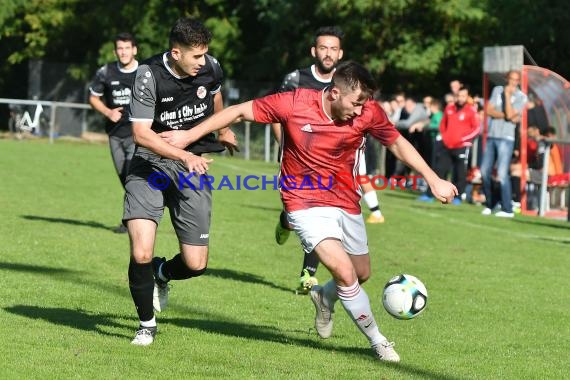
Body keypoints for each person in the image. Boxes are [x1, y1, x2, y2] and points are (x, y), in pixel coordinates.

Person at [164, 61, 457, 362]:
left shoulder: (368, 111)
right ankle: (379, 342)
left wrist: (433, 179)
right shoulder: (295, 103)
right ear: (333, 93)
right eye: (355, 103)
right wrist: (187, 137)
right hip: (302, 201)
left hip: (345, 198)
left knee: (360, 273)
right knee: (344, 272)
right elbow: (238, 111)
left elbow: (397, 143)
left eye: (363, 105)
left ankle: (323, 296)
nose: (359, 112)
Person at [123, 18, 237, 346]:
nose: (203, 62)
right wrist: (182, 155)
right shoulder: (147, 75)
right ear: (176, 53)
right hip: (150, 165)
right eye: (196, 57)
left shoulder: (210, 67)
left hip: (193, 166)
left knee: (196, 263)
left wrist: (223, 129)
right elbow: (140, 134)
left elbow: (214, 98)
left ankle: (163, 273)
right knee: (141, 250)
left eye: (204, 55)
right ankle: (146, 325)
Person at [271, 26, 385, 296]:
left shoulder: (349, 82)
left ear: (340, 53)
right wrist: (284, 151)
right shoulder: (296, 79)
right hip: (298, 161)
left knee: (323, 219)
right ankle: (285, 222)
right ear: (314, 50)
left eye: (333, 48)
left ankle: (307, 275)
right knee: (300, 214)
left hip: (335, 165)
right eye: (323, 47)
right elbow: (277, 116)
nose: (328, 53)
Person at [89, 32, 139, 233]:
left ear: (134, 50)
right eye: (120, 48)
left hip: (137, 135)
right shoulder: (106, 72)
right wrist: (108, 112)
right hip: (115, 135)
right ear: (115, 51)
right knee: (125, 179)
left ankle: (131, 221)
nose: (123, 52)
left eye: (127, 48)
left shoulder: (145, 72)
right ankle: (135, 217)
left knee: (132, 176)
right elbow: (93, 98)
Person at [481, 70, 527, 218]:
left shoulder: (521, 97)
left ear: (518, 81)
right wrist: (507, 115)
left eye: (516, 80)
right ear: (506, 79)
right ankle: (491, 203)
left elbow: (510, 114)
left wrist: (507, 97)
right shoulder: (497, 90)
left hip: (506, 138)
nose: (513, 82)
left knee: (502, 173)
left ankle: (507, 209)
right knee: (484, 171)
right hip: (492, 135)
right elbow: (489, 111)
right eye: (511, 79)